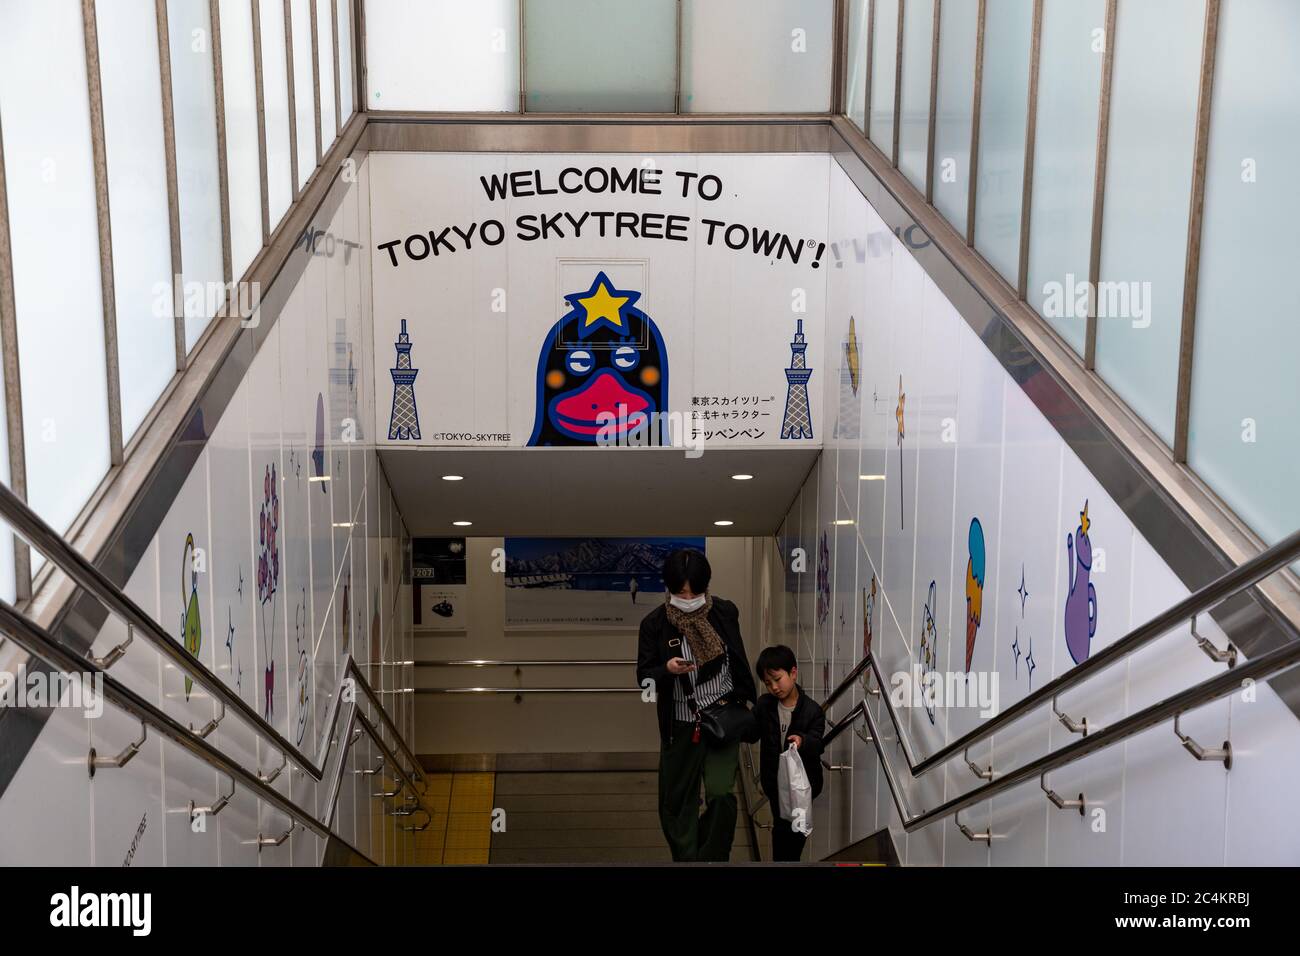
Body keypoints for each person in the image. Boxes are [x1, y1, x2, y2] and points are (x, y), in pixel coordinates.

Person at [637, 548, 757, 862]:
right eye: (680, 592)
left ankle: (712, 857)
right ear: (669, 588)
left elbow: (738, 658)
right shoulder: (654, 624)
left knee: (720, 795)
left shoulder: (725, 612)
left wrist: (746, 700)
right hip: (681, 724)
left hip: (723, 719)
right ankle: (687, 859)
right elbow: (645, 677)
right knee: (677, 803)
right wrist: (667, 670)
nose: (688, 598)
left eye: (695, 591)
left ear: (706, 587)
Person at [754, 645, 825, 862]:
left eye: (777, 679)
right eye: (768, 683)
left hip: (801, 787)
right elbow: (751, 730)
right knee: (780, 827)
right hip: (775, 783)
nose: (774, 687)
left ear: (793, 673)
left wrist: (803, 741)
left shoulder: (812, 710)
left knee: (796, 831)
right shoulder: (765, 705)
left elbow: (818, 743)